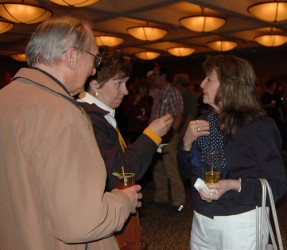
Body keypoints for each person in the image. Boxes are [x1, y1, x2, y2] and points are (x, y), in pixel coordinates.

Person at [0, 15, 142, 250]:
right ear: (73, 57)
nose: (94, 71)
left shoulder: (5, 98)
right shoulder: (62, 113)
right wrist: (122, 202)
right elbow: (83, 221)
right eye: (95, 58)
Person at [178, 54, 287, 249]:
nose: (202, 84)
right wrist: (186, 143)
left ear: (230, 85)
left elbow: (277, 185)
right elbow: (187, 174)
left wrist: (232, 184)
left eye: (209, 79)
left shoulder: (258, 126)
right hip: (201, 219)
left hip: (240, 222)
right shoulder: (204, 121)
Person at [77, 49, 173, 249]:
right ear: (95, 84)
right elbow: (120, 171)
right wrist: (151, 135)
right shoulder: (90, 119)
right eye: (118, 84)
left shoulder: (99, 113)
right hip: (100, 217)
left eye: (125, 83)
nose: (126, 90)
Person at [148, 64, 186, 214]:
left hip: (168, 137)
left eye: (156, 74)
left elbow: (178, 115)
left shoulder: (173, 92)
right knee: (158, 169)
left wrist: (171, 134)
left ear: (163, 76)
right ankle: (161, 197)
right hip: (155, 136)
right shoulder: (158, 93)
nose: (153, 77)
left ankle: (179, 202)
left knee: (172, 170)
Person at [123, 78, 153, 143]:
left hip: (146, 130)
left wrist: (146, 118)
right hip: (134, 130)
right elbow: (126, 113)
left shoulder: (149, 99)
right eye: (142, 88)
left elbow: (152, 114)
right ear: (137, 89)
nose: (144, 90)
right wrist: (135, 102)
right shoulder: (131, 98)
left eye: (145, 88)